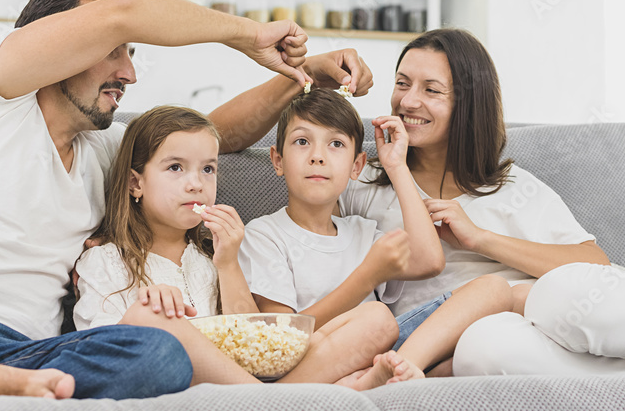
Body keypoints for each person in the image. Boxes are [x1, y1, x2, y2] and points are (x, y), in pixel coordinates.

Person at [0, 0, 374, 398]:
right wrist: (249, 34)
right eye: (115, 50)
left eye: (131, 54)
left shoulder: (104, 158)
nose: (129, 73)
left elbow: (210, 137)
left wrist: (300, 80)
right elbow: (124, 10)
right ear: (55, 47)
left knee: (159, 351)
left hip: (21, 355)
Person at [338, 27, 625, 375]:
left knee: (563, 288)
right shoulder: (366, 184)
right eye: (402, 83)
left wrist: (480, 238)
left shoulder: (510, 185)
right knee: (484, 349)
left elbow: (592, 262)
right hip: (470, 340)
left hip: (551, 313)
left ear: (468, 104)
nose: (408, 101)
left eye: (431, 90)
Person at [73, 105, 417, 388]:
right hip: (171, 380)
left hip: (242, 382)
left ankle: (277, 399)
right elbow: (102, 353)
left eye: (208, 169)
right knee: (153, 318)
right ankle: (285, 400)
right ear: (136, 183)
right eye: (176, 168)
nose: (196, 184)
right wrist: (148, 316)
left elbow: (254, 347)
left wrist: (228, 262)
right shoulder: (103, 260)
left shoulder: (214, 256)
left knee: (378, 318)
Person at [240, 88, 515, 384]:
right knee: (376, 318)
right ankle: (358, 381)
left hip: (381, 351)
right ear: (278, 160)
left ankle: (399, 367)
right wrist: (367, 277)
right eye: (302, 142)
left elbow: (429, 261)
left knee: (495, 289)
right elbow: (281, 339)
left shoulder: (362, 231)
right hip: (313, 362)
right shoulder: (263, 234)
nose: (317, 157)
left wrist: (396, 166)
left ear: (356, 166)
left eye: (335, 144)